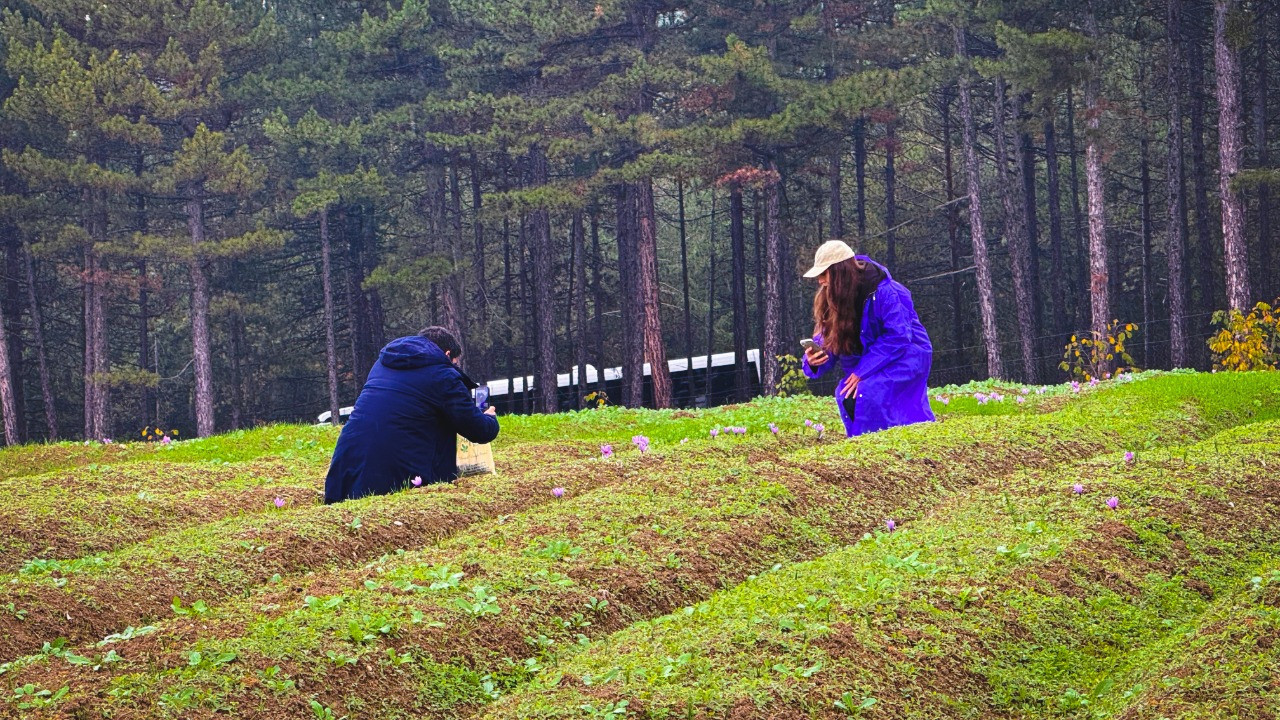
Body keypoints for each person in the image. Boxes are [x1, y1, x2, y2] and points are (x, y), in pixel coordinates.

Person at [324, 326, 499, 504]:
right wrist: (490, 419)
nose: (454, 368)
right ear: (447, 354)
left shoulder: (383, 364)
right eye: (454, 363)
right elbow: (478, 429)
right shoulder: (443, 375)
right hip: (394, 472)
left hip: (347, 464)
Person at [801, 240, 934, 437]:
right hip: (872, 360)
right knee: (847, 394)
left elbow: (898, 337)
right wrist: (813, 361)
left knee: (868, 392)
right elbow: (829, 339)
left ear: (839, 271)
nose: (820, 281)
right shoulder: (832, 296)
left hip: (906, 355)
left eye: (823, 273)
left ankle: (888, 441)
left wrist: (862, 372)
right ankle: (867, 443)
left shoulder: (888, 292)